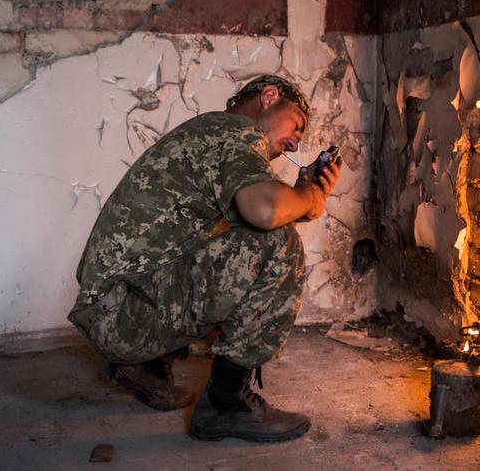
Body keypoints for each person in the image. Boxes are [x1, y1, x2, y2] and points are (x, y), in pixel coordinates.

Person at [67, 75, 341, 443]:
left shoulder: (211, 136)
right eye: (297, 125)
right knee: (277, 243)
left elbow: (256, 210)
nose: (296, 141)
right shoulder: (236, 132)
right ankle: (226, 403)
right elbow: (265, 212)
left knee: (231, 238)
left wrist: (302, 195)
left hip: (113, 312)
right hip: (125, 317)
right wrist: (310, 195)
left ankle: (148, 367)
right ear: (269, 97)